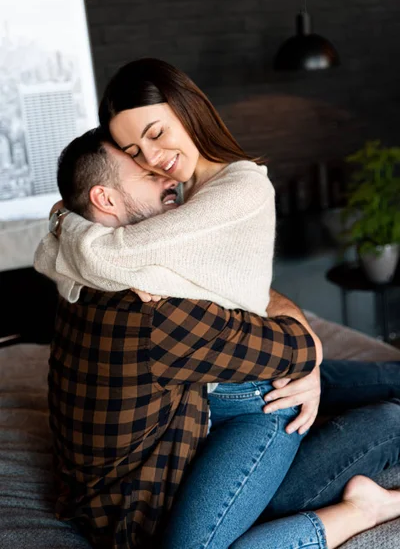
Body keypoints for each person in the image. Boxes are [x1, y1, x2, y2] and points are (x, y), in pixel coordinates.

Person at [34, 59, 400, 548]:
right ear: (105, 198)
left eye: (157, 133)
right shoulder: (160, 239)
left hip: (238, 377)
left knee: (311, 383)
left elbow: (102, 253)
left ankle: (366, 489)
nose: (157, 164)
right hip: (218, 377)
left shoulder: (229, 193)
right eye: (137, 157)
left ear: (186, 109)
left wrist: (69, 225)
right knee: (333, 388)